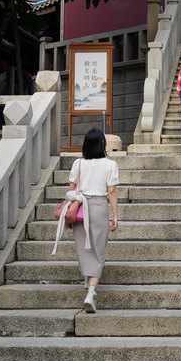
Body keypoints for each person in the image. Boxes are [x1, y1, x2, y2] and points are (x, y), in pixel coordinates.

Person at [67, 129, 118, 313]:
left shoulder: (78, 163)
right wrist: (115, 215)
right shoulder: (110, 165)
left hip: (80, 207)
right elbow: (111, 192)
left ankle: (87, 279)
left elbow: (72, 189)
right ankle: (91, 292)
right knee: (98, 249)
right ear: (103, 145)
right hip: (98, 207)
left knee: (83, 246)